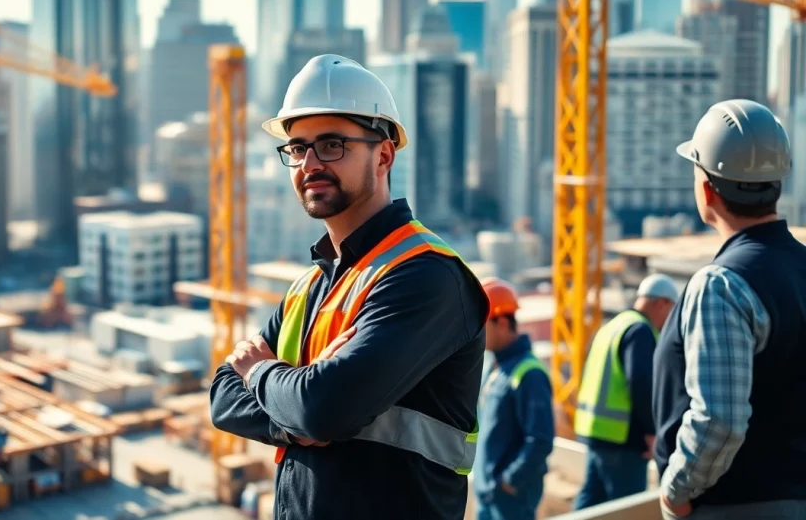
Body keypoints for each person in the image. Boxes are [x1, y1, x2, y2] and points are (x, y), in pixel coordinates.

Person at [207, 54, 489, 520]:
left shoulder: (425, 277)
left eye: (332, 145)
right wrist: (293, 421)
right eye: (298, 148)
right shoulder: (309, 286)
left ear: (384, 156)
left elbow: (324, 410)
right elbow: (222, 396)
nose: (309, 163)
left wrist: (261, 374)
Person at [653, 99, 806, 519]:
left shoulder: (721, 285)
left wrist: (675, 491)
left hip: (735, 507)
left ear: (707, 190)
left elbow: (719, 421)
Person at [572, 273, 680, 509]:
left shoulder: (613, 325)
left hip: (595, 431)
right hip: (623, 438)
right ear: (661, 303)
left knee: (591, 505)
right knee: (626, 508)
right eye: (672, 310)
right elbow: (641, 383)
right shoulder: (639, 330)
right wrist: (651, 431)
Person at [473, 277, 555, 520]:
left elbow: (540, 440)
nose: (476, 333)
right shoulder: (494, 367)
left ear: (502, 323)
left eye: (482, 325)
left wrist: (510, 481)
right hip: (488, 492)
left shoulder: (529, 374)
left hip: (510, 499)